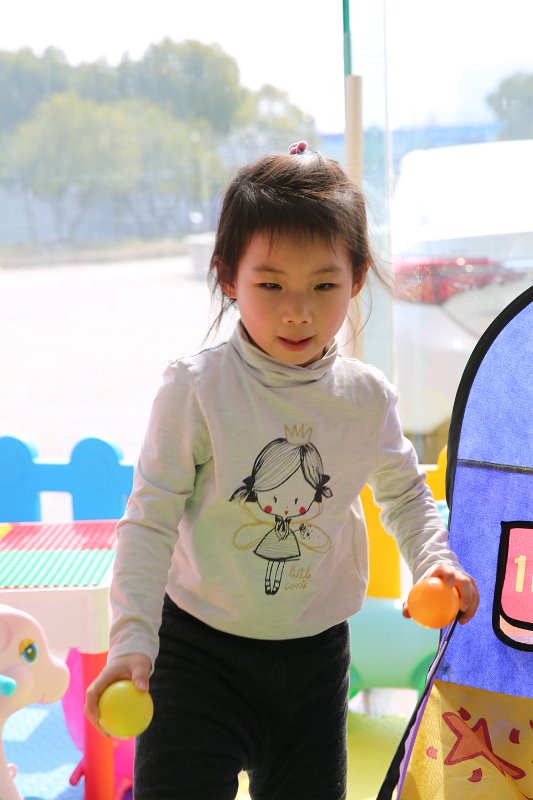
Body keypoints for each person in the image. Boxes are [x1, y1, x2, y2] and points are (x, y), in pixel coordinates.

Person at [85, 141, 479, 800]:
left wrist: (434, 561)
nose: (298, 310)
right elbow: (149, 521)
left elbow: (406, 495)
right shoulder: (196, 390)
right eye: (270, 285)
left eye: (323, 285)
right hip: (194, 657)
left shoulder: (364, 398)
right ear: (227, 276)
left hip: (313, 665)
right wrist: (131, 642)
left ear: (357, 278)